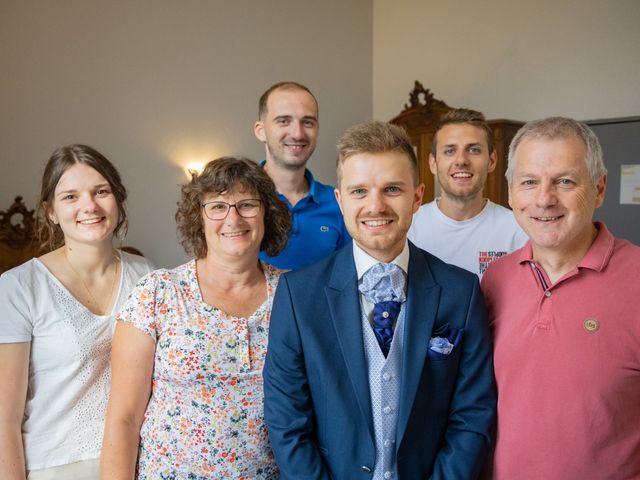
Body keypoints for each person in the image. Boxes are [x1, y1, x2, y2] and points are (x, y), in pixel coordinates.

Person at [264, 121, 496, 479]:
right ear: (340, 201)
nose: (376, 206)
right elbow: (286, 421)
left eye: (392, 189)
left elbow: (472, 414)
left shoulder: (460, 292)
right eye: (359, 191)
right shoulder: (298, 295)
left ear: (417, 197)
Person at [101, 156, 291, 479]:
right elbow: (125, 419)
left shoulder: (294, 294)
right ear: (198, 219)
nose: (233, 219)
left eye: (247, 205)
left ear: (267, 214)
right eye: (217, 207)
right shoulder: (158, 293)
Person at [481, 117, 640, 479]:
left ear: (599, 189)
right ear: (510, 192)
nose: (544, 198)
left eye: (565, 181)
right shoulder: (495, 281)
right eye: (529, 182)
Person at [0, 145, 154, 480]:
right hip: (54, 466)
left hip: (141, 462)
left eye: (101, 191)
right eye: (70, 197)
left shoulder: (148, 277)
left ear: (118, 198)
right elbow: (4, 420)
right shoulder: (18, 287)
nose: (89, 206)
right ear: (51, 211)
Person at [408, 108, 527, 277]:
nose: (461, 160)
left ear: (492, 161)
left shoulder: (517, 230)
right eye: (450, 151)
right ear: (433, 163)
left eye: (474, 150)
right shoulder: (409, 227)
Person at [254, 81, 350, 270]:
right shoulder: (235, 200)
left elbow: (345, 277)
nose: (297, 134)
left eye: (307, 122)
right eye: (283, 121)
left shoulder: (339, 203)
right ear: (261, 131)